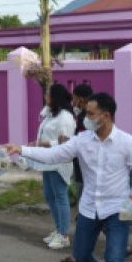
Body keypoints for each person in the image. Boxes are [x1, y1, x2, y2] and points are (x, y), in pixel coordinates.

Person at [5, 92, 132, 262]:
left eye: (90, 114)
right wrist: (20, 149)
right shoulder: (82, 141)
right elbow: (53, 154)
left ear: (106, 115)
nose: (85, 117)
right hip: (89, 207)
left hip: (117, 208)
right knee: (81, 255)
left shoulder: (128, 142)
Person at [34, 83, 77, 250]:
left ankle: (64, 235)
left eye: (48, 95)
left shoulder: (65, 117)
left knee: (60, 197)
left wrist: (44, 144)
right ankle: (59, 229)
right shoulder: (51, 114)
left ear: (55, 97)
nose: (45, 98)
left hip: (59, 162)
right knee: (49, 196)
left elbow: (66, 141)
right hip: (47, 160)